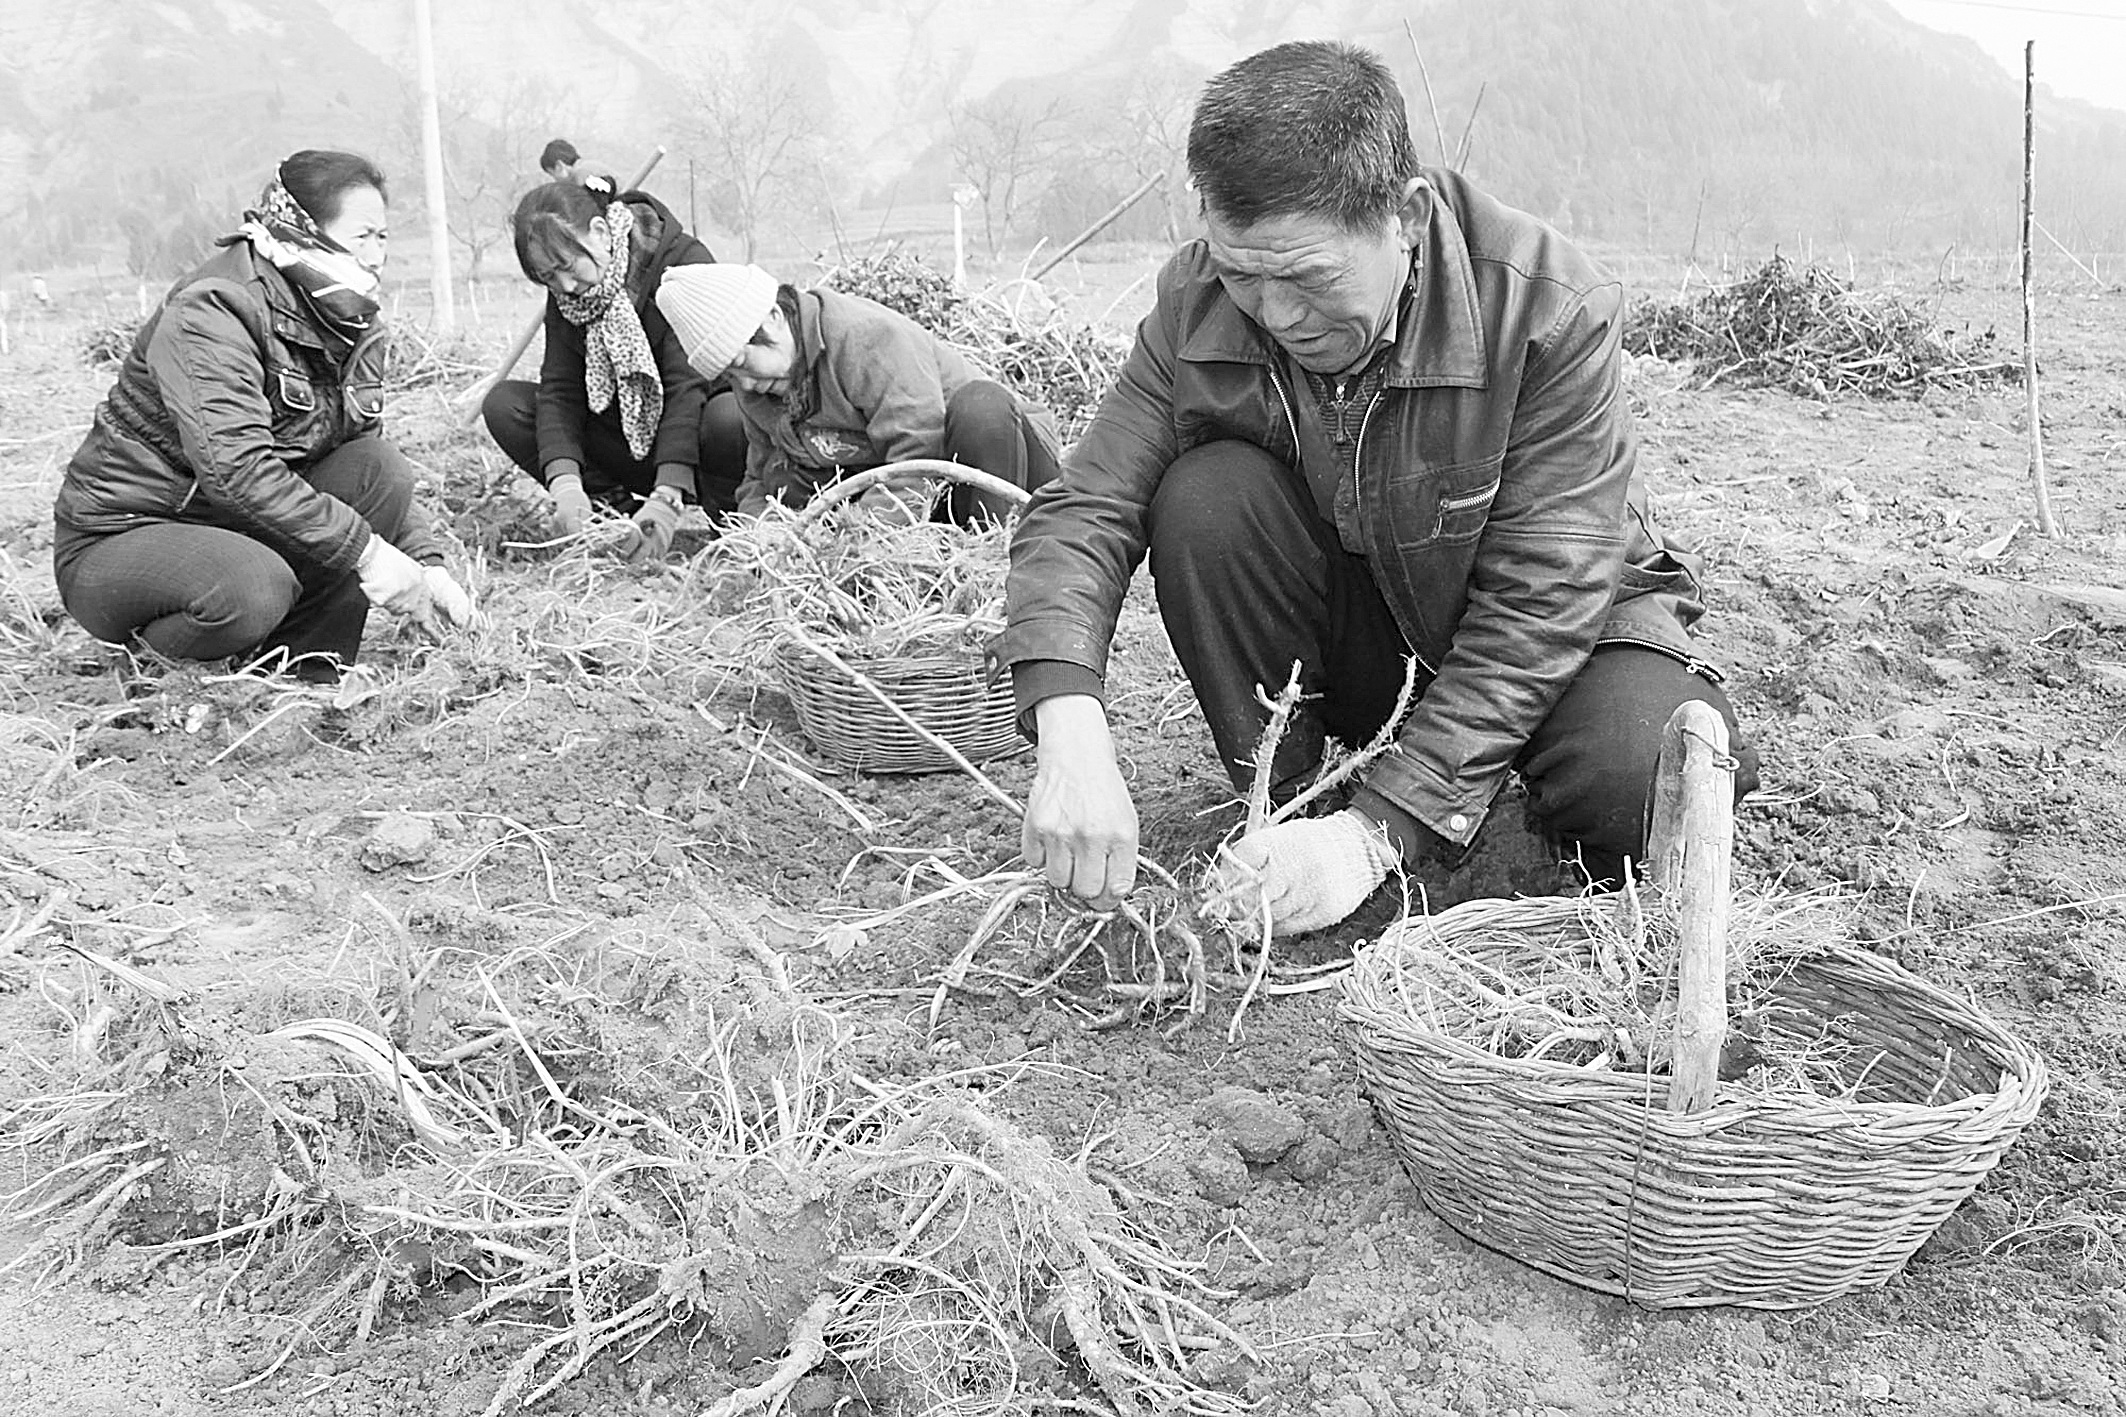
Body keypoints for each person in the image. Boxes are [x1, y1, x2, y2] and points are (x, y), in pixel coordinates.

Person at [998, 41, 1762, 937]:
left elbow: (1542, 603)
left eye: (1307, 279)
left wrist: (1369, 839)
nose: (1277, 316)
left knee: (1644, 776)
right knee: (1206, 497)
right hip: (1380, 647)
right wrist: (1069, 719)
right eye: (1245, 275)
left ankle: (1401, 820)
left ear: (1404, 215)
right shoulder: (1195, 302)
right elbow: (1086, 504)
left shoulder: (1547, 309)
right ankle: (1284, 811)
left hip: (1566, 640)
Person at [51, 150, 472, 680]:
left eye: (383, 237)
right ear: (303, 228)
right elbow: (236, 470)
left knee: (378, 468)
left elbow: (363, 459)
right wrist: (368, 555)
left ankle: (303, 669)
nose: (376, 256)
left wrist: (426, 564)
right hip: (128, 533)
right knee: (252, 588)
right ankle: (163, 670)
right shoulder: (215, 309)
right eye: (361, 235)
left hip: (235, 523)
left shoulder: (349, 321)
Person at [652, 262, 1061, 526]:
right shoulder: (763, 382)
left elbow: (919, 453)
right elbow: (760, 477)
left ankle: (993, 564)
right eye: (729, 374)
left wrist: (858, 539)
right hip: (899, 481)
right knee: (757, 453)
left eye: (741, 363)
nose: (743, 385)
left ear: (772, 319)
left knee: (980, 407)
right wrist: (761, 536)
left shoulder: (865, 340)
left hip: (998, 464)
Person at [481, 176, 746, 562]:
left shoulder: (680, 263)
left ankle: (728, 523)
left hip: (696, 439)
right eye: (548, 278)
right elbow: (561, 389)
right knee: (506, 405)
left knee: (729, 418)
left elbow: (687, 384)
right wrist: (566, 483)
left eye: (566, 267)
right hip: (624, 435)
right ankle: (610, 516)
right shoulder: (569, 296)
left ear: (601, 231)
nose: (566, 286)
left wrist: (668, 495)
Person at [537, 138, 614, 187]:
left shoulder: (580, 173)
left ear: (559, 166)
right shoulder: (585, 165)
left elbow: (585, 203)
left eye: (552, 174)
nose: (555, 180)